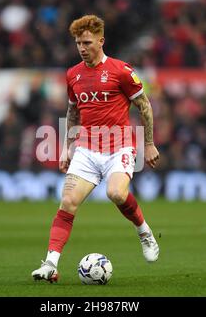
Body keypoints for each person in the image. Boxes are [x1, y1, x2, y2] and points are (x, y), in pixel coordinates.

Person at [32, 15, 160, 282]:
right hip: (87, 150)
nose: (82, 47)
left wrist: (148, 144)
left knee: (115, 193)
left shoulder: (121, 71)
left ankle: (144, 232)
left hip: (119, 147)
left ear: (101, 41)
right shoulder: (73, 74)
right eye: (78, 42)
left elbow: (145, 106)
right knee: (67, 201)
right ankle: (50, 264)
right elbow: (72, 111)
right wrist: (68, 147)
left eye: (87, 42)